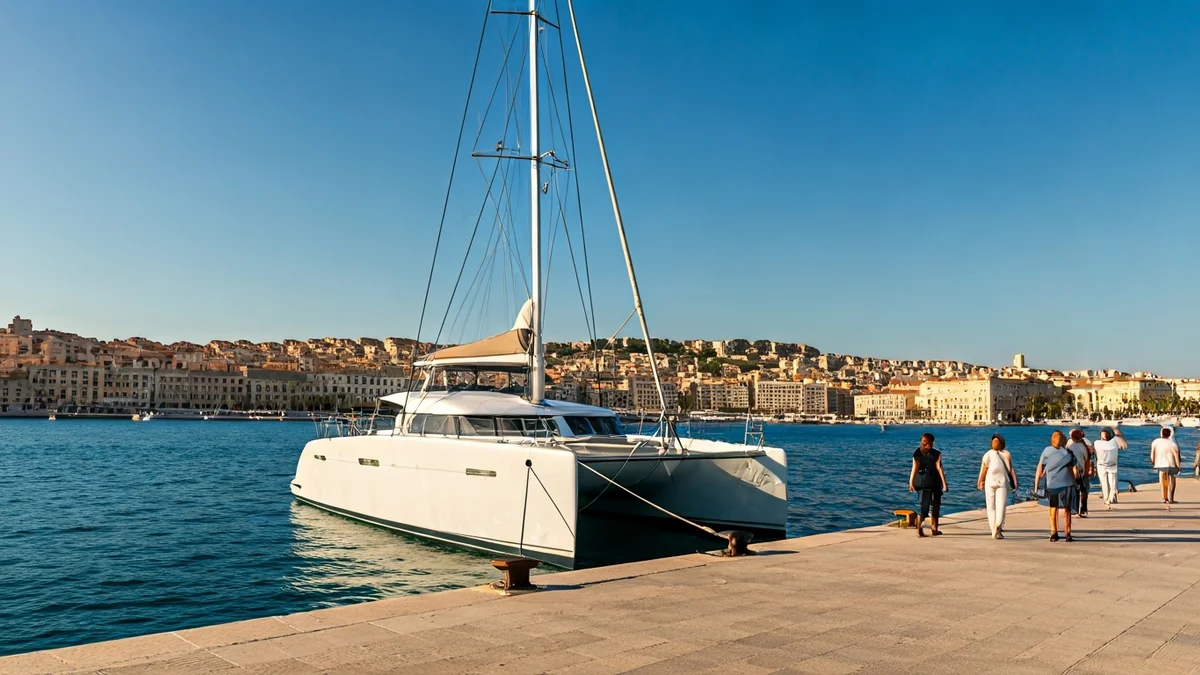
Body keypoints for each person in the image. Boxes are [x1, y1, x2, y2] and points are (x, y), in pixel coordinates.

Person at [1035, 430, 1079, 542]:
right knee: (1067, 509)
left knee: (1053, 508)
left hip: (1052, 484)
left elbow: (1040, 468)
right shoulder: (1068, 453)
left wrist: (1036, 486)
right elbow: (1074, 467)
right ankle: (1068, 533)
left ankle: (1054, 532)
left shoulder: (1047, 451)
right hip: (1067, 483)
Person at [976, 433, 1018, 539]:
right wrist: (1015, 482)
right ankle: (997, 529)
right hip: (1001, 482)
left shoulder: (988, 454)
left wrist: (980, 481)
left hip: (991, 482)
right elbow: (1010, 470)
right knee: (1000, 506)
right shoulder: (1006, 454)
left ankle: (994, 529)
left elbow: (984, 469)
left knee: (991, 507)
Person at [909, 432, 948, 538]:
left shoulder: (925, 453)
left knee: (930, 505)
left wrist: (911, 482)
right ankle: (927, 528)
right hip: (928, 481)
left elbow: (915, 468)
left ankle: (929, 526)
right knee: (930, 505)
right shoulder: (927, 453)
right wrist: (945, 484)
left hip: (927, 481)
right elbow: (938, 469)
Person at [1093, 426, 1127, 508]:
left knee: (1104, 483)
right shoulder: (1115, 442)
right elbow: (1124, 446)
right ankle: (1111, 498)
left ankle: (1106, 499)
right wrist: (1117, 431)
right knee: (1113, 484)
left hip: (1101, 465)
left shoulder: (1097, 443)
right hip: (1112, 465)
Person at [1066, 429, 1094, 517]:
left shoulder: (1070, 446)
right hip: (1083, 470)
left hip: (1074, 471)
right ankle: (1083, 509)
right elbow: (1087, 459)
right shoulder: (1084, 446)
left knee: (1075, 491)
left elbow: (1067, 459)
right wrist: (1088, 471)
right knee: (1084, 490)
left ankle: (1074, 508)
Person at [1150, 427, 1181, 507]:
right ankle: (1171, 498)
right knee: (1172, 480)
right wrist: (1178, 466)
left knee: (1163, 482)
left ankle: (1165, 498)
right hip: (1172, 464)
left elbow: (1152, 453)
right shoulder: (1173, 444)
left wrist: (1153, 462)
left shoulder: (1156, 442)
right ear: (1170, 434)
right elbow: (1176, 455)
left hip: (1161, 464)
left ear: (1161, 434)